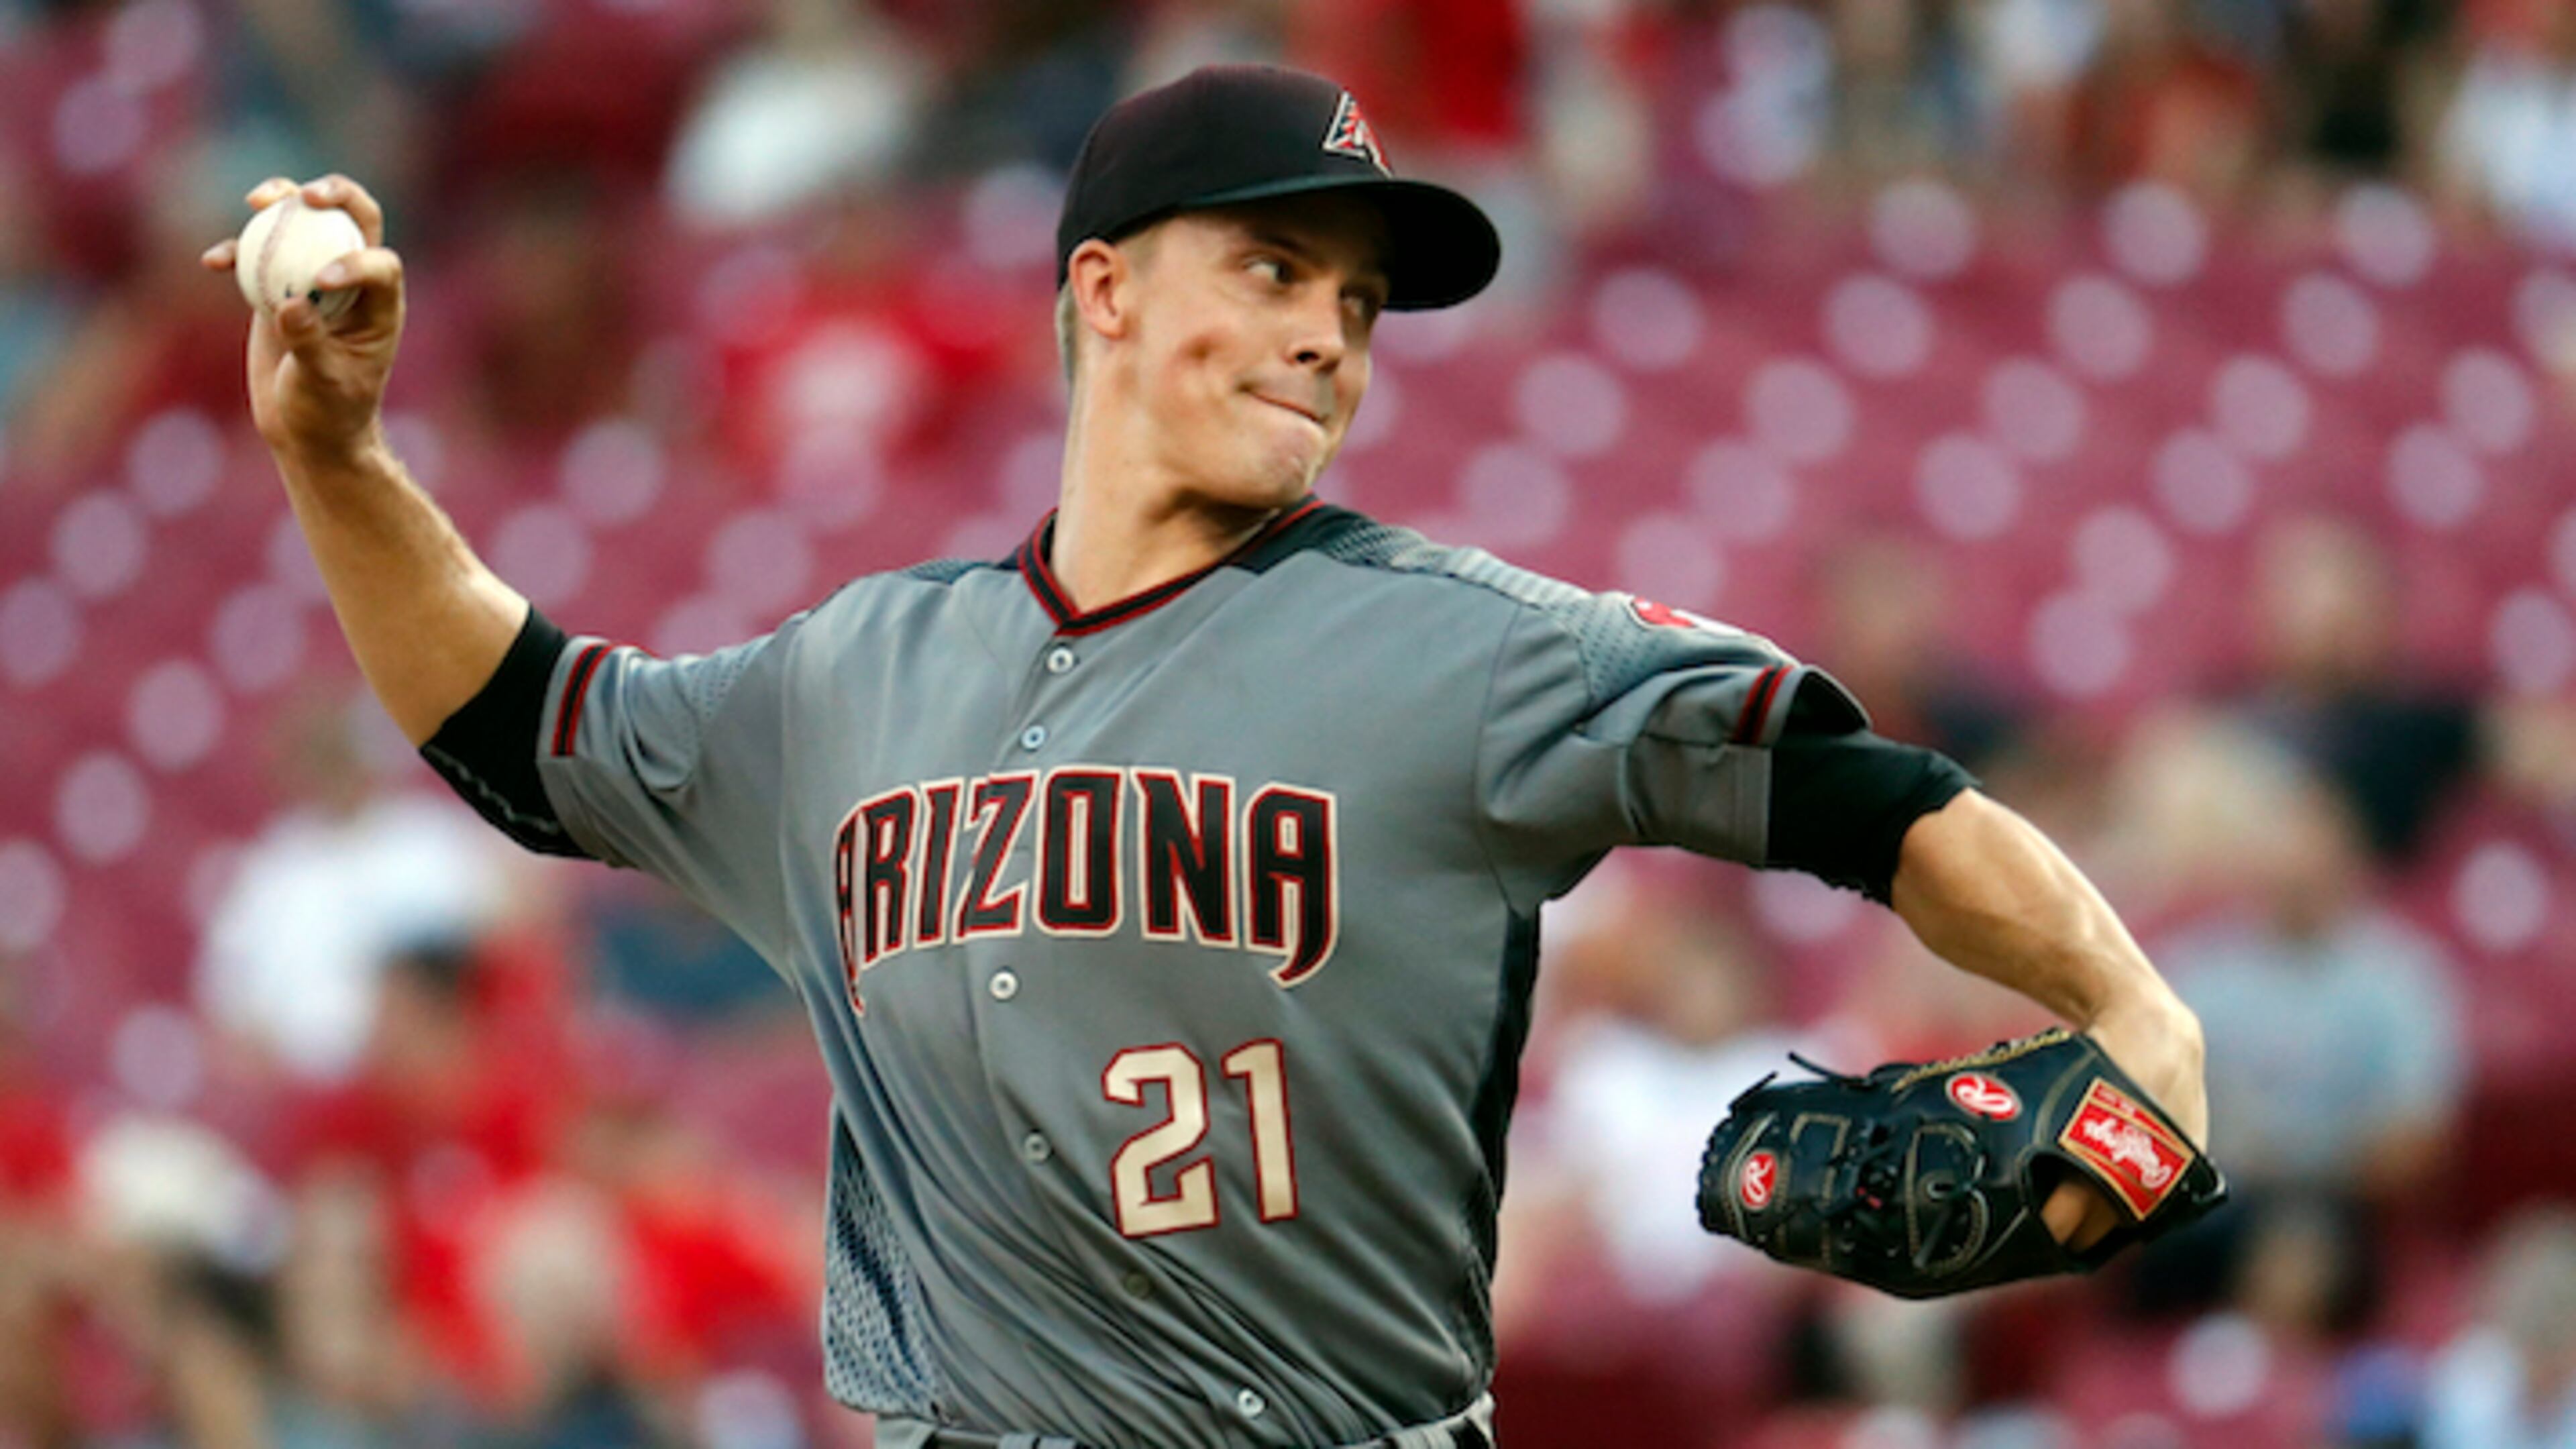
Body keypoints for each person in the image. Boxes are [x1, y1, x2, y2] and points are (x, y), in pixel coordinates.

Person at [203, 64, 2207, 1449]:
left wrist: (2130, 1011)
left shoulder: (1469, 651)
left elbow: (1867, 794)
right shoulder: (851, 678)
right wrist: (335, 452)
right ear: (1103, 290)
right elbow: (516, 723)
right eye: (1272, 269)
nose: (1332, 335)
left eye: (1358, 301)